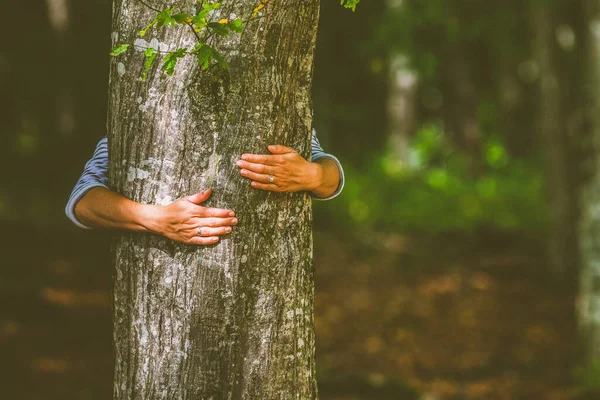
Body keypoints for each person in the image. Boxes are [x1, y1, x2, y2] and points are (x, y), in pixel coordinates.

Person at [65, 129, 344, 245]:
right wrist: (155, 218)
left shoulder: (277, 100)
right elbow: (82, 201)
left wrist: (313, 174)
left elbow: (329, 172)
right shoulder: (143, 104)